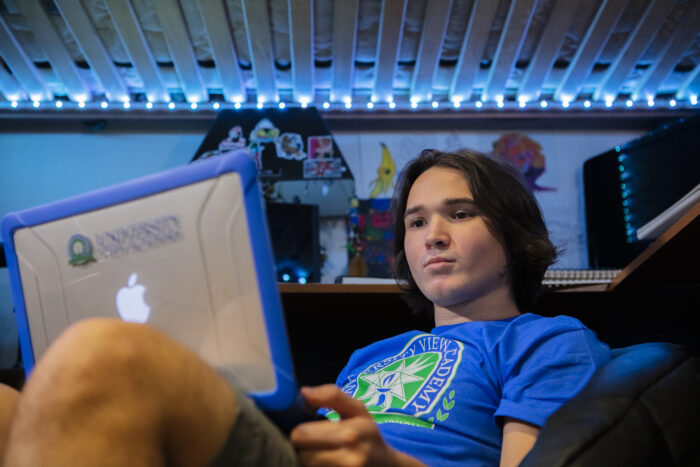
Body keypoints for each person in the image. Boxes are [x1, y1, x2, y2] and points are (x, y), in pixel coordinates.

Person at [0, 148, 610, 466]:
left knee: (100, 351)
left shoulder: (548, 339)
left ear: (512, 234)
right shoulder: (374, 355)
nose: (432, 236)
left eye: (460, 213)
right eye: (416, 222)